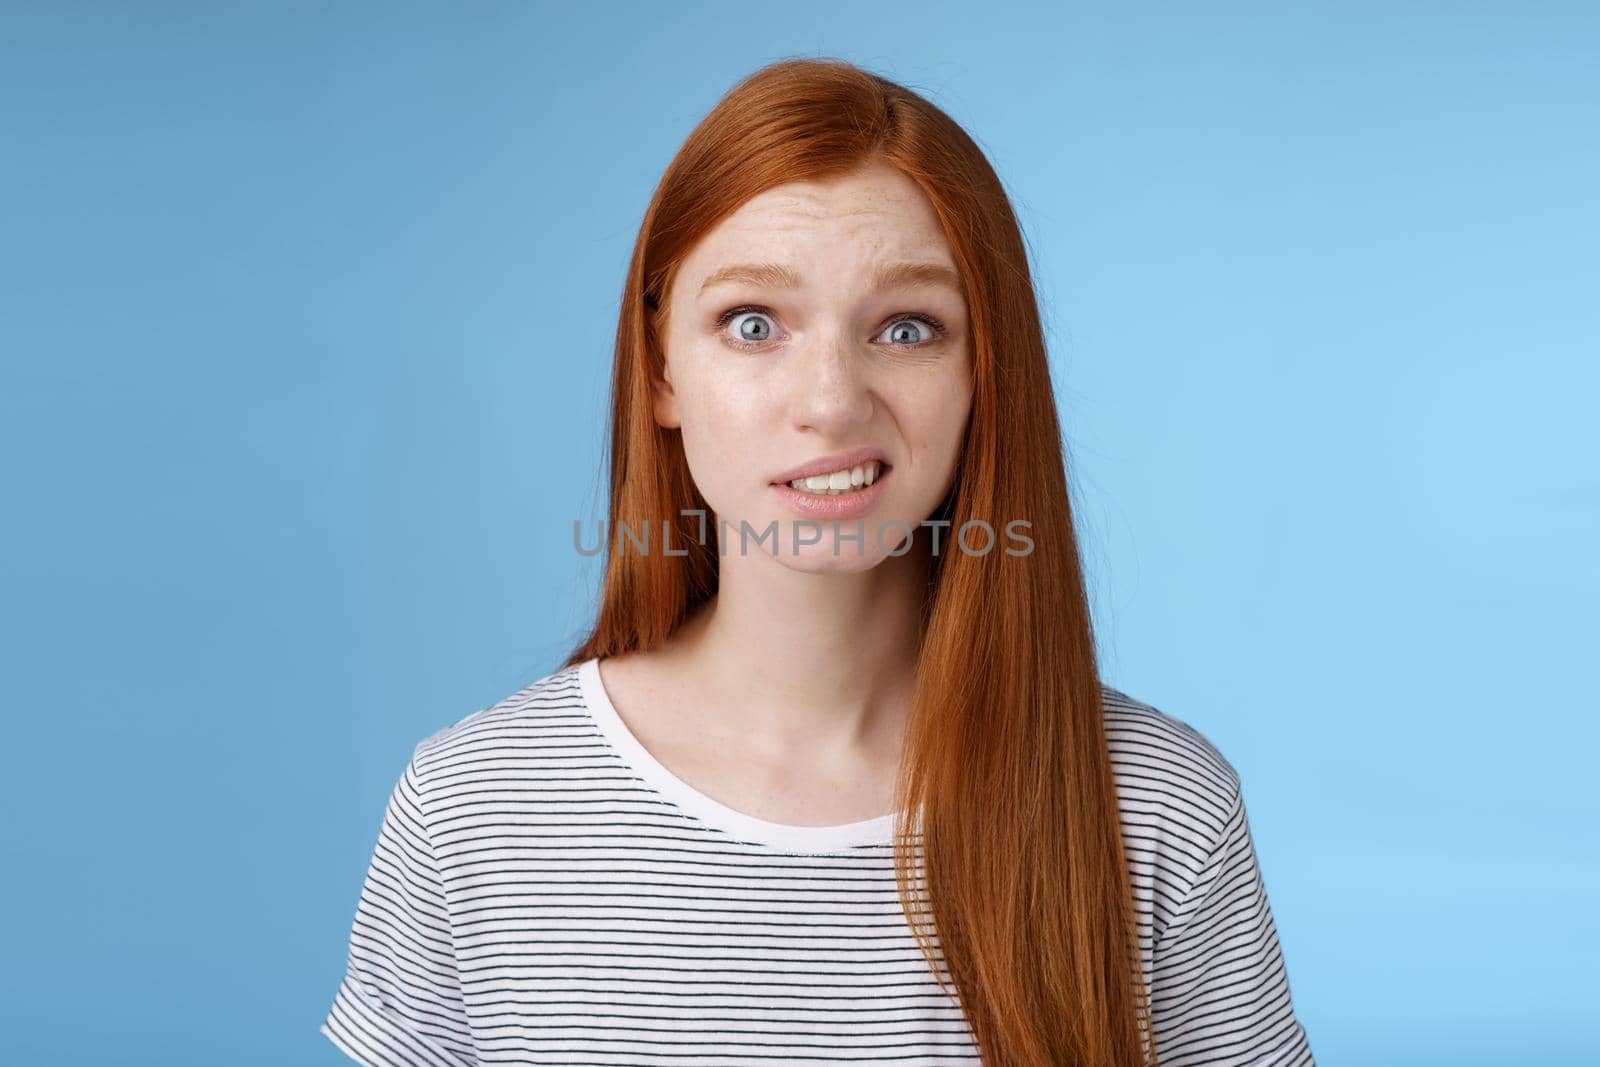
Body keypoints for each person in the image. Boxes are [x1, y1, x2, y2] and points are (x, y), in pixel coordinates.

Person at [320, 57, 1315, 1067]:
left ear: (985, 375)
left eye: (907, 326)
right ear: (661, 366)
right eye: (753, 323)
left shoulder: (1156, 810)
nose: (832, 400)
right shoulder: (471, 806)